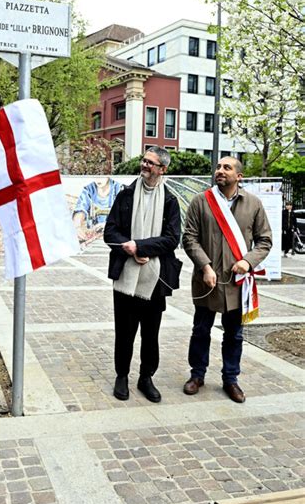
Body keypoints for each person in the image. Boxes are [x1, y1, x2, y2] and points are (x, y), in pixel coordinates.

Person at [182, 156, 272, 403]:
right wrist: (205, 266)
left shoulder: (253, 204)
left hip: (237, 283)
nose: (220, 171)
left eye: (227, 168)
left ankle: (230, 379)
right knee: (200, 330)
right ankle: (197, 375)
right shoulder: (201, 202)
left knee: (234, 335)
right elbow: (189, 238)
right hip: (207, 280)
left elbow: (265, 240)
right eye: (219, 167)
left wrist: (248, 261)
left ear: (238, 176)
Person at [104, 146, 182, 403]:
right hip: (126, 275)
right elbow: (110, 232)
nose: (144, 165)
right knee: (124, 332)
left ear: (163, 169)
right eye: (144, 160)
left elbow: (172, 238)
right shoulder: (125, 195)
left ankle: (146, 377)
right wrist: (129, 248)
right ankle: (122, 376)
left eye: (151, 163)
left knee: (151, 333)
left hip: (154, 279)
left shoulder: (170, 200)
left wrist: (141, 246)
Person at [73, 176, 122, 241]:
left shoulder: (120, 189)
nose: (98, 179)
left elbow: (126, 217)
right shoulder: (88, 190)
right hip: (95, 238)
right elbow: (80, 209)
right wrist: (77, 226)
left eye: (102, 176)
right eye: (95, 175)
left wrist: (107, 225)